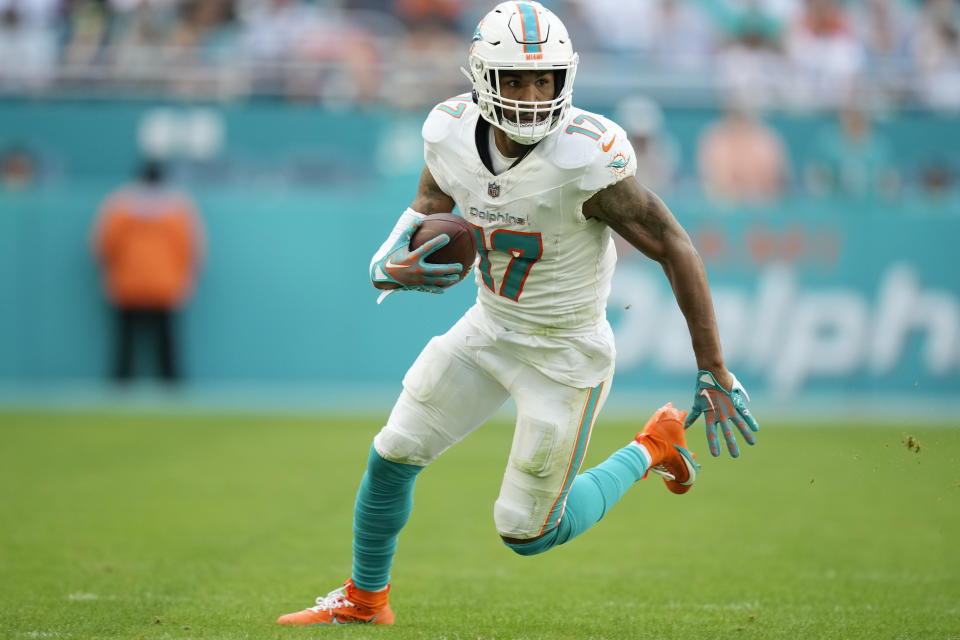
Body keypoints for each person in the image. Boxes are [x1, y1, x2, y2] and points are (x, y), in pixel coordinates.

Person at [277, 1, 759, 627]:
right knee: (393, 451)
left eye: (544, 79)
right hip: (488, 327)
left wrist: (712, 365)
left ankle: (654, 445)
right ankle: (366, 600)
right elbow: (428, 203)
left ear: (565, 79)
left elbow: (674, 245)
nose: (532, 95)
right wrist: (388, 261)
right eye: (515, 79)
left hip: (564, 353)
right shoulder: (449, 133)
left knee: (527, 532)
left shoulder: (587, 159)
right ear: (483, 78)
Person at [90, 159, 205, 383]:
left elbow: (103, 245)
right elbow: (191, 249)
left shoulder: (119, 206)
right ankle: (172, 387)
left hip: (127, 283)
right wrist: (186, 282)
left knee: (126, 341)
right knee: (165, 343)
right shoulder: (177, 208)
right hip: (165, 284)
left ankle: (121, 386)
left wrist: (108, 276)